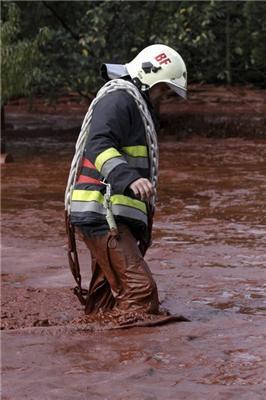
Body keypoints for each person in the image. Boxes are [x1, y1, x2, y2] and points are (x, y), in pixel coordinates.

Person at [67, 44, 187, 327]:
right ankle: (128, 364)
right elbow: (97, 143)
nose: (162, 98)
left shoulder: (132, 103)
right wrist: (129, 177)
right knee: (141, 294)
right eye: (163, 90)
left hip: (108, 216)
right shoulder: (120, 99)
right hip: (101, 214)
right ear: (148, 78)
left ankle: (94, 354)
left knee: (106, 299)